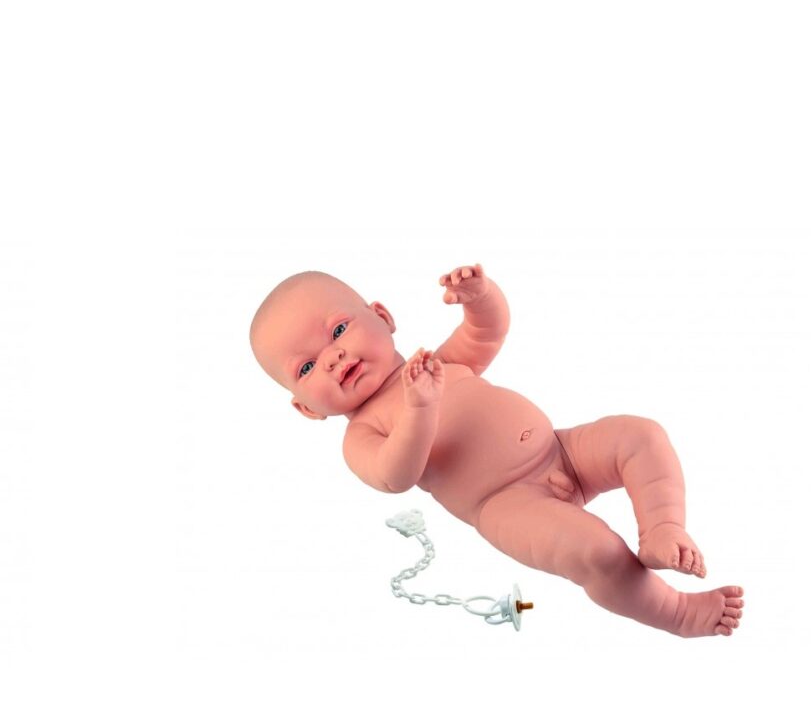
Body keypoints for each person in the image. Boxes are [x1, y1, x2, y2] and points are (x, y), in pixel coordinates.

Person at [250, 265, 744, 638]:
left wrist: (480, 298)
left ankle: (663, 528)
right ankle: (678, 612)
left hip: (561, 450)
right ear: (307, 409)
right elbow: (395, 475)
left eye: (338, 331)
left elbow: (486, 332)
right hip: (507, 506)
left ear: (382, 317)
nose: (333, 357)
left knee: (641, 436)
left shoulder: (437, 363)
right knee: (596, 552)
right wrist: (419, 408)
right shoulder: (362, 435)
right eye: (306, 367)